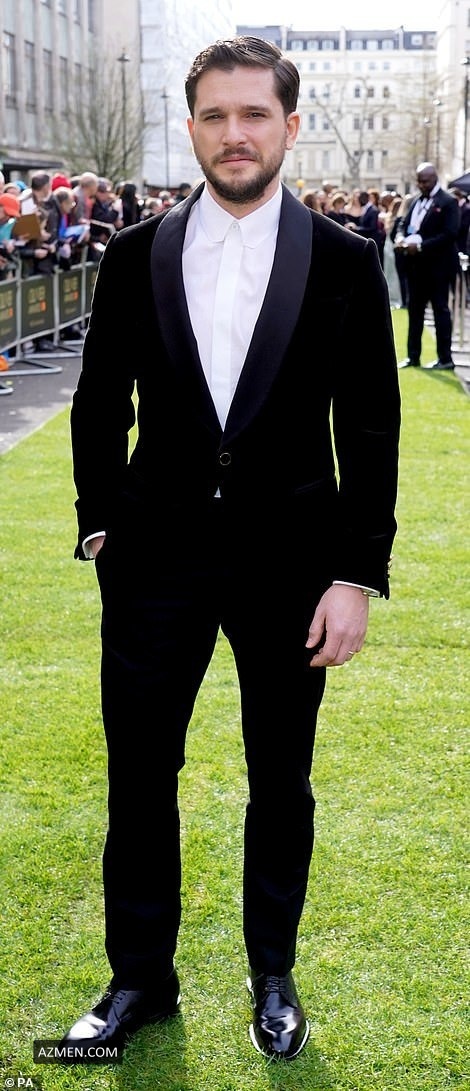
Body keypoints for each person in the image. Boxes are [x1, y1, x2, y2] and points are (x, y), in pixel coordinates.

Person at [62, 35, 400, 1063]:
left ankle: (273, 973)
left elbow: (369, 425)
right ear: (192, 126)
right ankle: (138, 977)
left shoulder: (343, 258)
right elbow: (98, 400)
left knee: (280, 776)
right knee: (139, 772)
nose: (234, 133)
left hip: (290, 564)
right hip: (152, 560)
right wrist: (99, 518)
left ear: (288, 126)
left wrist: (355, 571)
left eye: (253, 114)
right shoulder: (135, 254)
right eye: (215, 115)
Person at [394, 162, 459, 370]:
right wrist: (401, 238)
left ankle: (445, 358)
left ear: (434, 178)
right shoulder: (415, 200)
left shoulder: (448, 201)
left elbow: (450, 234)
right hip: (416, 268)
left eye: (425, 181)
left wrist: (421, 246)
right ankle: (413, 356)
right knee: (415, 312)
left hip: (438, 268)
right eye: (419, 181)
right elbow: (403, 224)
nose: (421, 185)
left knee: (440, 311)